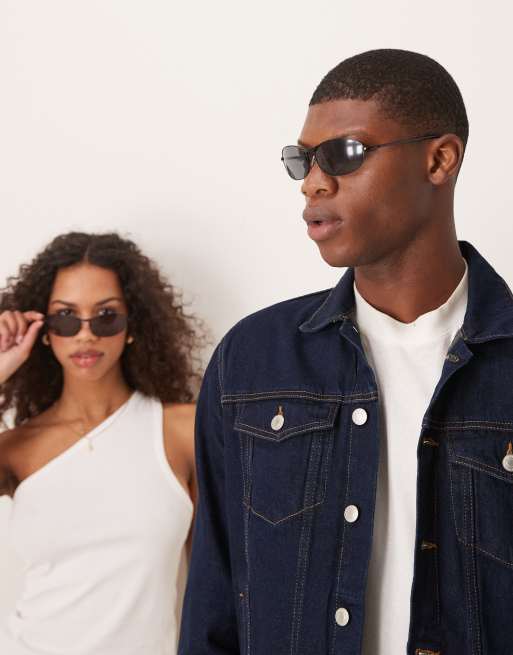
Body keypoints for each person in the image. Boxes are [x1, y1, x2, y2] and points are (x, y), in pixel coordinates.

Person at [178, 49, 513, 655]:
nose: (313, 181)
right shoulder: (252, 362)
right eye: (303, 159)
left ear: (440, 160)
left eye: (345, 153)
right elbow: (214, 606)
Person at [0, 231, 204, 655]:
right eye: (65, 318)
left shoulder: (181, 431)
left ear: (132, 326)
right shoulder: (18, 448)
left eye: (106, 316)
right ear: (44, 330)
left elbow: (215, 580)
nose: (85, 335)